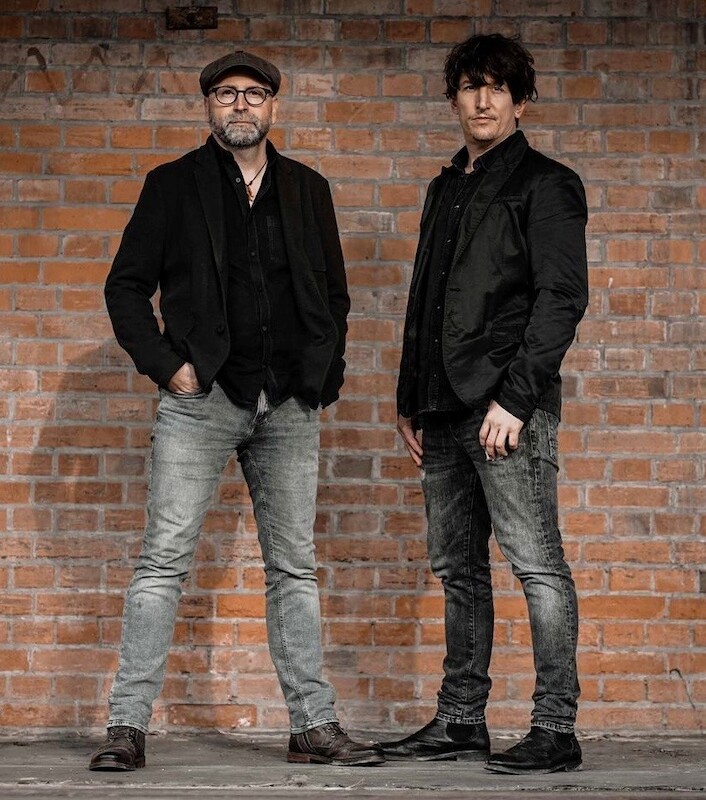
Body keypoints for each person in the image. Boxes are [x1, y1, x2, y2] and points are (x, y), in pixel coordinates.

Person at [89, 50, 384, 770]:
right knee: (163, 562)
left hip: (287, 404)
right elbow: (125, 288)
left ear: (273, 106)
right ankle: (126, 728)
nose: (241, 105)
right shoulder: (171, 186)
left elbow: (335, 296)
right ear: (209, 106)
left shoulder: (308, 189)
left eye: (254, 94)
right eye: (226, 94)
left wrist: (322, 375)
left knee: (294, 568)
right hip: (202, 402)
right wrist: (168, 367)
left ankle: (313, 726)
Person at [380, 34, 588, 774]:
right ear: (454, 100)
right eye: (470, 86)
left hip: (504, 407)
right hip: (440, 408)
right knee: (458, 570)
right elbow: (427, 299)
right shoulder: (446, 187)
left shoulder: (547, 184)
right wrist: (409, 398)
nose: (482, 100)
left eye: (498, 87)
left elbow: (561, 300)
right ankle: (461, 721)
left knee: (537, 565)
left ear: (520, 101)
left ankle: (556, 728)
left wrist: (516, 401)